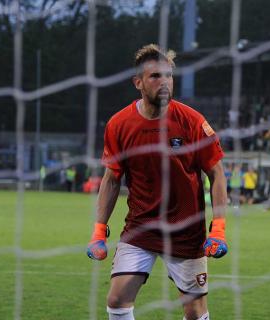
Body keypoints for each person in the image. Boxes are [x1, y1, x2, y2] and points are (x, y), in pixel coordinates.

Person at [86, 44, 228, 320]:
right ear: (138, 82)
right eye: (155, 77)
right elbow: (111, 179)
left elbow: (217, 174)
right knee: (117, 300)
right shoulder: (119, 125)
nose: (164, 82)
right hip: (142, 227)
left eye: (168, 76)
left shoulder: (192, 122)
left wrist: (218, 229)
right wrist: (99, 230)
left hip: (186, 231)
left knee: (195, 313)